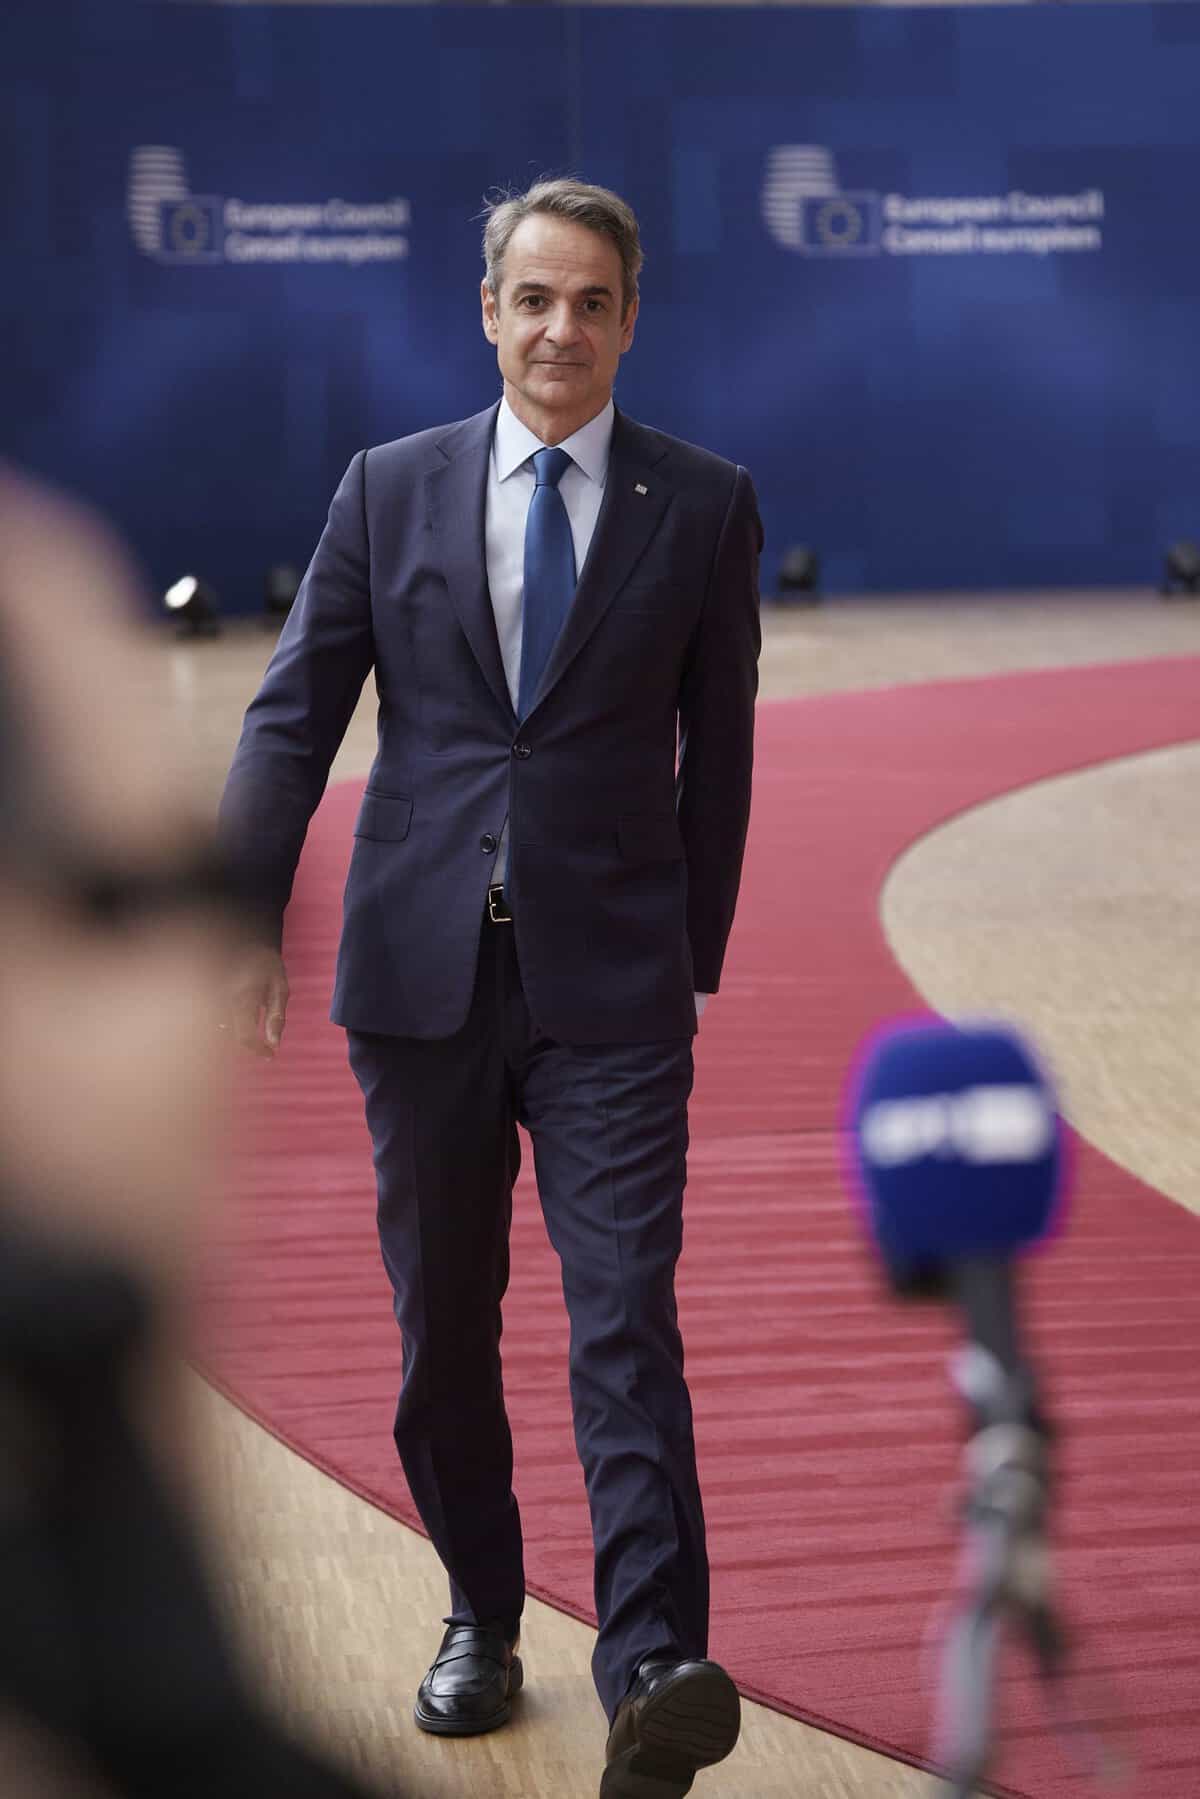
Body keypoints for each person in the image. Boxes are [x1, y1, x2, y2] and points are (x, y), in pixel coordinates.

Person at [220, 177, 762, 1799]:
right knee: (443, 1331)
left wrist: (690, 959)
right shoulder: (387, 488)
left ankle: (652, 1662)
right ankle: (479, 1612)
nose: (560, 330)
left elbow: (722, 752)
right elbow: (292, 717)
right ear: (488, 312)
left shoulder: (704, 503)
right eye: (535, 298)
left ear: (631, 321)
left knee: (624, 1317)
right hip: (420, 981)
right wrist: (235, 915)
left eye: (592, 302)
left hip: (613, 989)